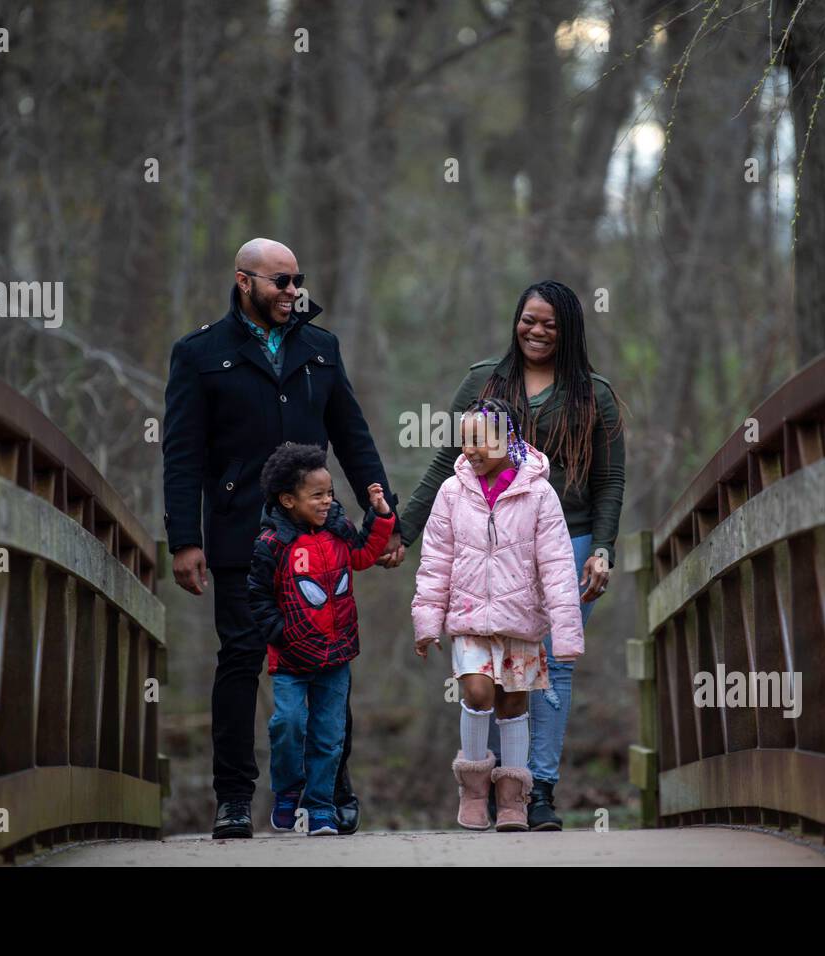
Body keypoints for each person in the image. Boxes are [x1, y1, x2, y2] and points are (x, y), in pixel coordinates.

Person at [162, 238, 402, 839]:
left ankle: (333, 788)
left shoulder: (320, 349)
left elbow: (353, 436)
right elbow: (182, 454)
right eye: (280, 282)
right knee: (241, 658)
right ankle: (235, 799)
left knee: (329, 661)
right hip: (240, 536)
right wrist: (183, 538)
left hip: (319, 544)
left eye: (298, 280)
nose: (294, 292)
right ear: (244, 282)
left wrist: (386, 518)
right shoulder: (199, 353)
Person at [393, 279, 625, 829]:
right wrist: (403, 532)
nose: (536, 331)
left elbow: (610, 481)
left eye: (549, 323)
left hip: (568, 540)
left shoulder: (595, 394)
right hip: (494, 548)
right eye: (528, 319)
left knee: (548, 668)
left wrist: (604, 549)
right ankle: (497, 789)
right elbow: (444, 464)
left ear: (568, 329)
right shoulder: (482, 382)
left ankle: (536, 789)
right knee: (493, 670)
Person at [411, 398, 585, 831]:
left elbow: (559, 566)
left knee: (511, 704)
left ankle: (512, 801)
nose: (471, 449)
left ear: (508, 439)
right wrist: (427, 621)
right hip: (469, 618)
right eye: (464, 440)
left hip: (521, 622)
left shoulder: (538, 492)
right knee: (477, 693)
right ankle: (473, 790)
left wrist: (566, 636)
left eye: (481, 440)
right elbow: (435, 560)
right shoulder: (453, 492)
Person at [247, 444, 395, 836]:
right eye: (317, 495)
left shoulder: (338, 530)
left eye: (330, 493)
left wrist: (380, 517)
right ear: (288, 500)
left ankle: (321, 808)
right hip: (291, 660)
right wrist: (283, 635)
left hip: (336, 656)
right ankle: (287, 790)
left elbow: (363, 555)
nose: (328, 501)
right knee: (289, 724)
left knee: (330, 737)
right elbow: (257, 597)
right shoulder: (272, 545)